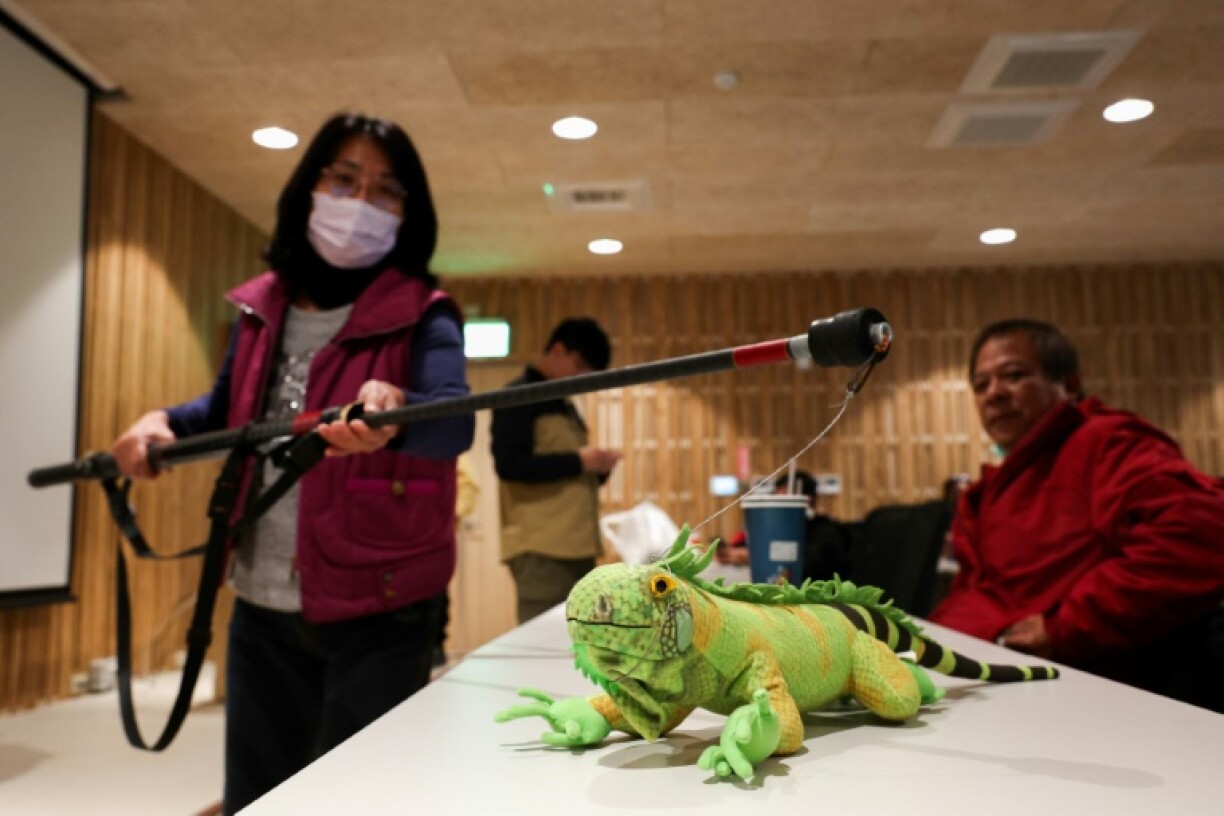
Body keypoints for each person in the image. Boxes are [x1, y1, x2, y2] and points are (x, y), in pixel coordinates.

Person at [109, 113, 474, 814]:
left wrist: (394, 416)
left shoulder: (425, 311)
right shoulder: (261, 307)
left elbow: (450, 420)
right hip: (261, 605)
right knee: (257, 797)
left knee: (359, 801)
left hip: (382, 609)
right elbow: (224, 413)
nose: (360, 203)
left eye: (385, 190)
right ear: (310, 187)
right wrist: (158, 422)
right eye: (344, 179)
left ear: (408, 212)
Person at [929, 318, 1224, 705]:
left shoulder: (1104, 444)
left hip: (1068, 691)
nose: (993, 394)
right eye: (981, 385)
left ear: (1068, 384)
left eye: (1013, 375)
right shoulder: (987, 492)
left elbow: (1203, 531)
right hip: (972, 674)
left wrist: (1064, 626)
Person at [491, 317, 622, 623]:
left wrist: (597, 467)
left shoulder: (563, 404)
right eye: (579, 366)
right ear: (558, 350)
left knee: (580, 645)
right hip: (541, 550)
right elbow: (509, 465)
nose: (581, 377)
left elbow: (564, 474)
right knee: (545, 647)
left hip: (576, 546)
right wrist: (579, 461)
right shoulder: (518, 396)